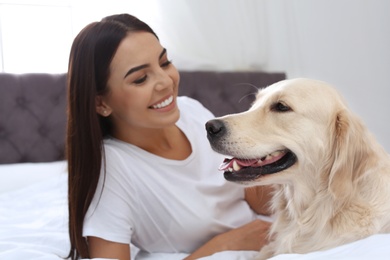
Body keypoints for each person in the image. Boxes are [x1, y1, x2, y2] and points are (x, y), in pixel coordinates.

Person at [66, 13, 272, 260]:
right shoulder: (111, 169)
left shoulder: (190, 111)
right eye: (140, 78)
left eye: (164, 63)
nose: (166, 82)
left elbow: (256, 200)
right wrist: (224, 245)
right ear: (101, 103)